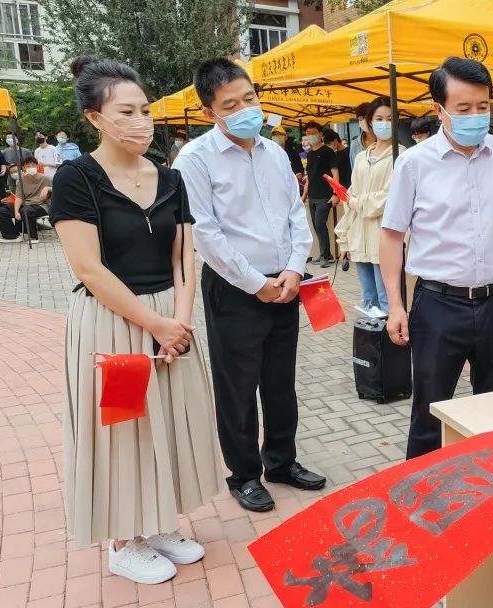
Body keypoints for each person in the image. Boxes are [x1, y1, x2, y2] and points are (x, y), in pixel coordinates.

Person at [50, 55, 221, 585]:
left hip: (171, 320)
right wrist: (155, 324)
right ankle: (124, 541)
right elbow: (88, 268)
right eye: (126, 111)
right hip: (113, 323)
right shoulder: (77, 178)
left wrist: (179, 322)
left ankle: (159, 520)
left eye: (145, 110)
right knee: (125, 428)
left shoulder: (170, 177)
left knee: (170, 418)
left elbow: (183, 256)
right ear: (95, 117)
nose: (141, 121)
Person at [174, 58, 325, 512]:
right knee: (237, 387)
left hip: (286, 283)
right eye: (231, 105)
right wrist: (255, 283)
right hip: (234, 289)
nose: (245, 110)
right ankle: (243, 474)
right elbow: (205, 233)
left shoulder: (275, 153)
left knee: (280, 381)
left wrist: (295, 268)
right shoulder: (194, 159)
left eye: (250, 99)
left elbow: (295, 215)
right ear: (210, 112)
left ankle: (281, 461)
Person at [380, 57, 493, 459]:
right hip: (438, 305)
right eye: (463, 108)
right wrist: (396, 306)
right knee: (430, 412)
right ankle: (421, 485)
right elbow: (392, 236)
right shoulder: (413, 164)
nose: (475, 116)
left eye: (483, 106)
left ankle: (488, 482)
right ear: (440, 110)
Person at [336, 97, 404, 317]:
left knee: (386, 300)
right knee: (368, 300)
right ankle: (372, 338)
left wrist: (355, 201)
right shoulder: (360, 157)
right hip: (359, 237)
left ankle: (390, 336)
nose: (385, 123)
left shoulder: (401, 155)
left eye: (390, 118)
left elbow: (388, 197)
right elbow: (351, 194)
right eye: (379, 118)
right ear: (370, 122)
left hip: (385, 237)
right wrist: (344, 237)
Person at [301, 121, 339, 268]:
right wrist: (304, 195)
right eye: (308, 133)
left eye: (313, 133)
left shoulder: (328, 152)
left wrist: (335, 193)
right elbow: (309, 177)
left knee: (319, 224)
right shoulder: (310, 154)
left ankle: (325, 256)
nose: (310, 136)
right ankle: (326, 254)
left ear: (321, 134)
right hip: (313, 196)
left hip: (325, 195)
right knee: (317, 226)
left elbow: (335, 174)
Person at [0, 157, 52, 243]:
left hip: (42, 205)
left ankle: (33, 237)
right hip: (26, 204)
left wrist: (48, 188)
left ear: (37, 166)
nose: (31, 167)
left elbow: (59, 189)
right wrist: (16, 211)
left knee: (25, 211)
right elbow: (19, 198)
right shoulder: (21, 181)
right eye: (28, 166)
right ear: (23, 168)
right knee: (1, 211)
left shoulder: (46, 178)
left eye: (33, 165)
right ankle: (12, 236)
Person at [349, 102, 373, 168]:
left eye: (367, 116)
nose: (364, 120)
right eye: (360, 117)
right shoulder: (355, 144)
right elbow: (354, 168)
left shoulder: (384, 141)